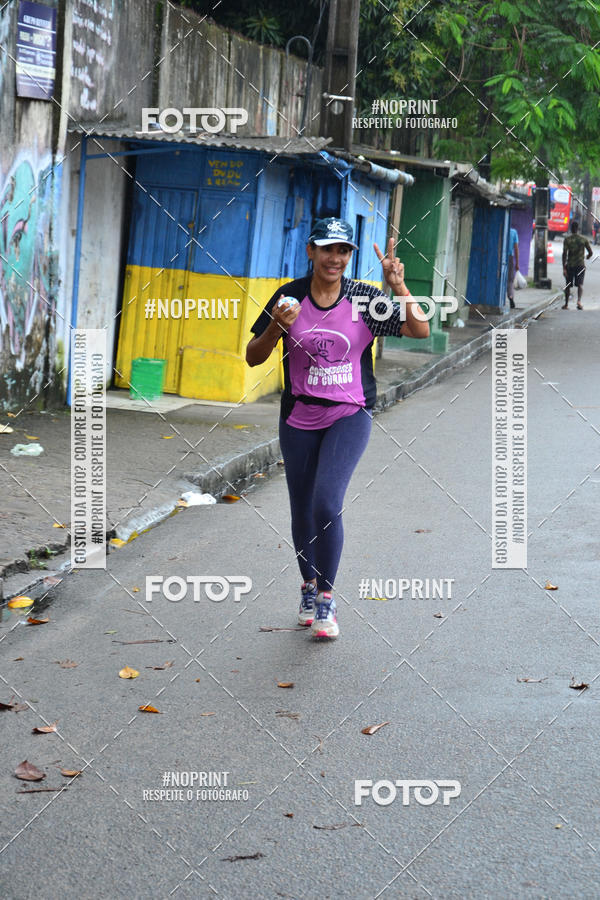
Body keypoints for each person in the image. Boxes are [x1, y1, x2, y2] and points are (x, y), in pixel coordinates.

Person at [246, 217, 429, 640]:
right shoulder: (288, 296)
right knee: (301, 507)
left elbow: (419, 329)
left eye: (343, 251)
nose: (335, 258)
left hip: (350, 412)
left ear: (349, 257)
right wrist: (277, 325)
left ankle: (327, 599)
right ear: (311, 251)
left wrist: (399, 287)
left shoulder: (364, 298)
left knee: (327, 503)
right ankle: (307, 588)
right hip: (299, 416)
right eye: (327, 249)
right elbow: (253, 357)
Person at [562, 220, 592, 310]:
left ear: (571, 229)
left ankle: (566, 304)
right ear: (578, 229)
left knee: (568, 285)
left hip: (570, 265)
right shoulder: (584, 239)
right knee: (580, 284)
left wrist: (564, 267)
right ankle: (579, 301)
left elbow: (564, 254)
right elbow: (590, 252)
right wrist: (587, 257)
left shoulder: (567, 240)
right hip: (580, 265)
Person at [507, 226, 520, 309]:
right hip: (510, 257)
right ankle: (510, 296)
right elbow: (516, 248)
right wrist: (517, 263)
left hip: (499, 256)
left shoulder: (501, 229)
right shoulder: (513, 232)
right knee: (510, 280)